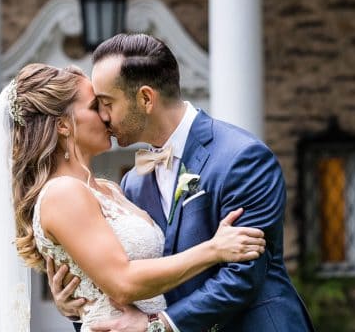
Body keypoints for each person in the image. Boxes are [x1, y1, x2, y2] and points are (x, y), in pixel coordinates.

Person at [0, 62, 266, 332]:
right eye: (95, 106)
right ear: (62, 124)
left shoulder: (111, 189)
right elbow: (122, 282)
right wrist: (214, 250)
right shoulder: (62, 193)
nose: (107, 116)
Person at [50, 34, 314, 332]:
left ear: (146, 99)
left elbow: (243, 275)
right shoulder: (133, 184)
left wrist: (160, 325)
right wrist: (80, 304)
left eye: (107, 102)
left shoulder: (242, 157)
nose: (102, 116)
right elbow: (136, 278)